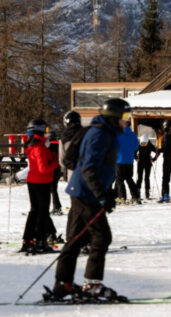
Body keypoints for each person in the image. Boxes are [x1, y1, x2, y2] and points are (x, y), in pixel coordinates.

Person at [44, 98, 129, 303]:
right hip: (85, 193)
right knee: (101, 237)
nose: (127, 121)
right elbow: (88, 168)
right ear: (114, 117)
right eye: (125, 117)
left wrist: (105, 193)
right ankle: (92, 284)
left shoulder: (104, 132)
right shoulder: (99, 134)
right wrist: (101, 195)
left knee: (75, 240)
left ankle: (62, 283)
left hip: (83, 190)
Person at [22, 119, 58, 254]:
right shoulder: (40, 147)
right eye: (46, 130)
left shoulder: (34, 145)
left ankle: (28, 239)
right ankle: (40, 241)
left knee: (34, 211)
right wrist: (56, 162)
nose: (47, 133)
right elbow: (43, 168)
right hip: (41, 182)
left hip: (33, 181)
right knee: (42, 213)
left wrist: (52, 155)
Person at [115, 124, 141, 204]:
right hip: (129, 160)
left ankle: (122, 198)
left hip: (119, 160)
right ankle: (136, 197)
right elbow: (136, 146)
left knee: (119, 180)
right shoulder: (133, 134)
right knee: (129, 178)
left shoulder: (117, 134)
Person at [135, 135, 159, 200]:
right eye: (142, 144)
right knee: (139, 178)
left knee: (146, 178)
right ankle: (138, 193)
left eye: (145, 143)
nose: (143, 145)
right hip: (140, 163)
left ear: (147, 142)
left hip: (148, 163)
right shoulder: (138, 145)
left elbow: (157, 153)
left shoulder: (150, 145)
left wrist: (153, 159)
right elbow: (134, 152)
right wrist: (136, 158)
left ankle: (147, 194)